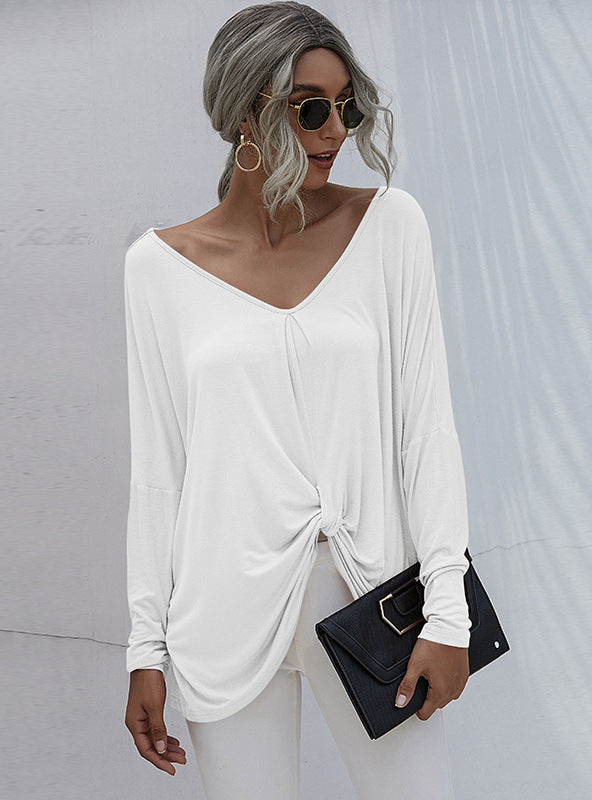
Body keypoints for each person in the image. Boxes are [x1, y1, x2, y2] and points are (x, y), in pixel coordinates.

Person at [123, 2, 472, 798]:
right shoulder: (156, 268)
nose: (335, 131)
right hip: (219, 618)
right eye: (310, 109)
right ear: (246, 112)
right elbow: (159, 475)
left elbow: (427, 433)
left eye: (347, 107)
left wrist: (448, 612)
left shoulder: (388, 225)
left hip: (369, 599)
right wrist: (145, 648)